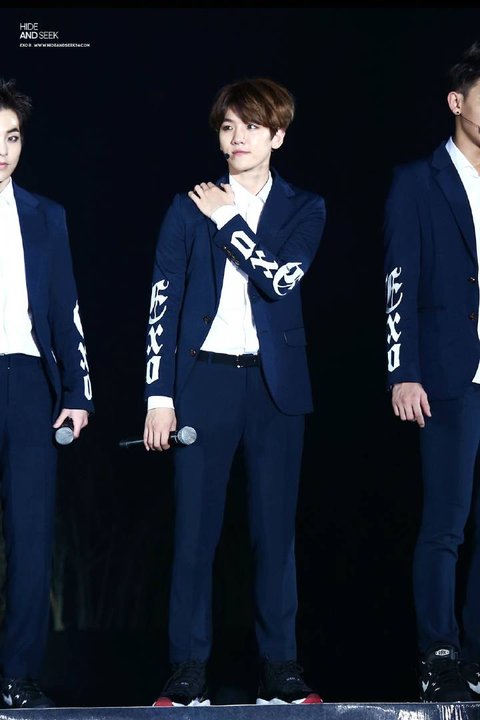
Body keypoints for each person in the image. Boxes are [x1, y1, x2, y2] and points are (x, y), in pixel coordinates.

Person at [143, 77, 325, 707]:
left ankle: (280, 670)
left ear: (278, 136)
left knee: (275, 535)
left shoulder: (306, 208)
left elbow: (280, 280)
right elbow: (162, 305)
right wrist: (158, 397)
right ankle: (187, 670)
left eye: (252, 127)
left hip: (276, 389)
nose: (237, 138)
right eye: (228, 127)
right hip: (205, 381)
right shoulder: (186, 207)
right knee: (195, 533)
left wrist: (227, 219)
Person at [384, 40, 480, 702]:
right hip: (447, 372)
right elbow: (399, 280)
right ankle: (439, 654)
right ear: (457, 102)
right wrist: (403, 371)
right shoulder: (418, 181)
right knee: (446, 521)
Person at [0, 78, 93, 708]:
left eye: (12, 137)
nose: (3, 151)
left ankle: (17, 675)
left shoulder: (45, 215)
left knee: (31, 535)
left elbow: (66, 311)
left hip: (31, 384)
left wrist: (78, 393)